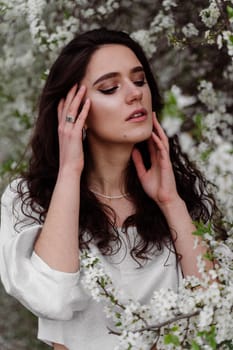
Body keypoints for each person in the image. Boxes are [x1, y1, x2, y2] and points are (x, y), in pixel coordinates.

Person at [0, 28, 225, 350]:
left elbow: (215, 313)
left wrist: (170, 201)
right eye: (109, 88)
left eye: (139, 80)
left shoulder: (185, 188)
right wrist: (69, 171)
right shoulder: (28, 198)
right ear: (76, 111)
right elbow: (53, 298)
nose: (134, 94)